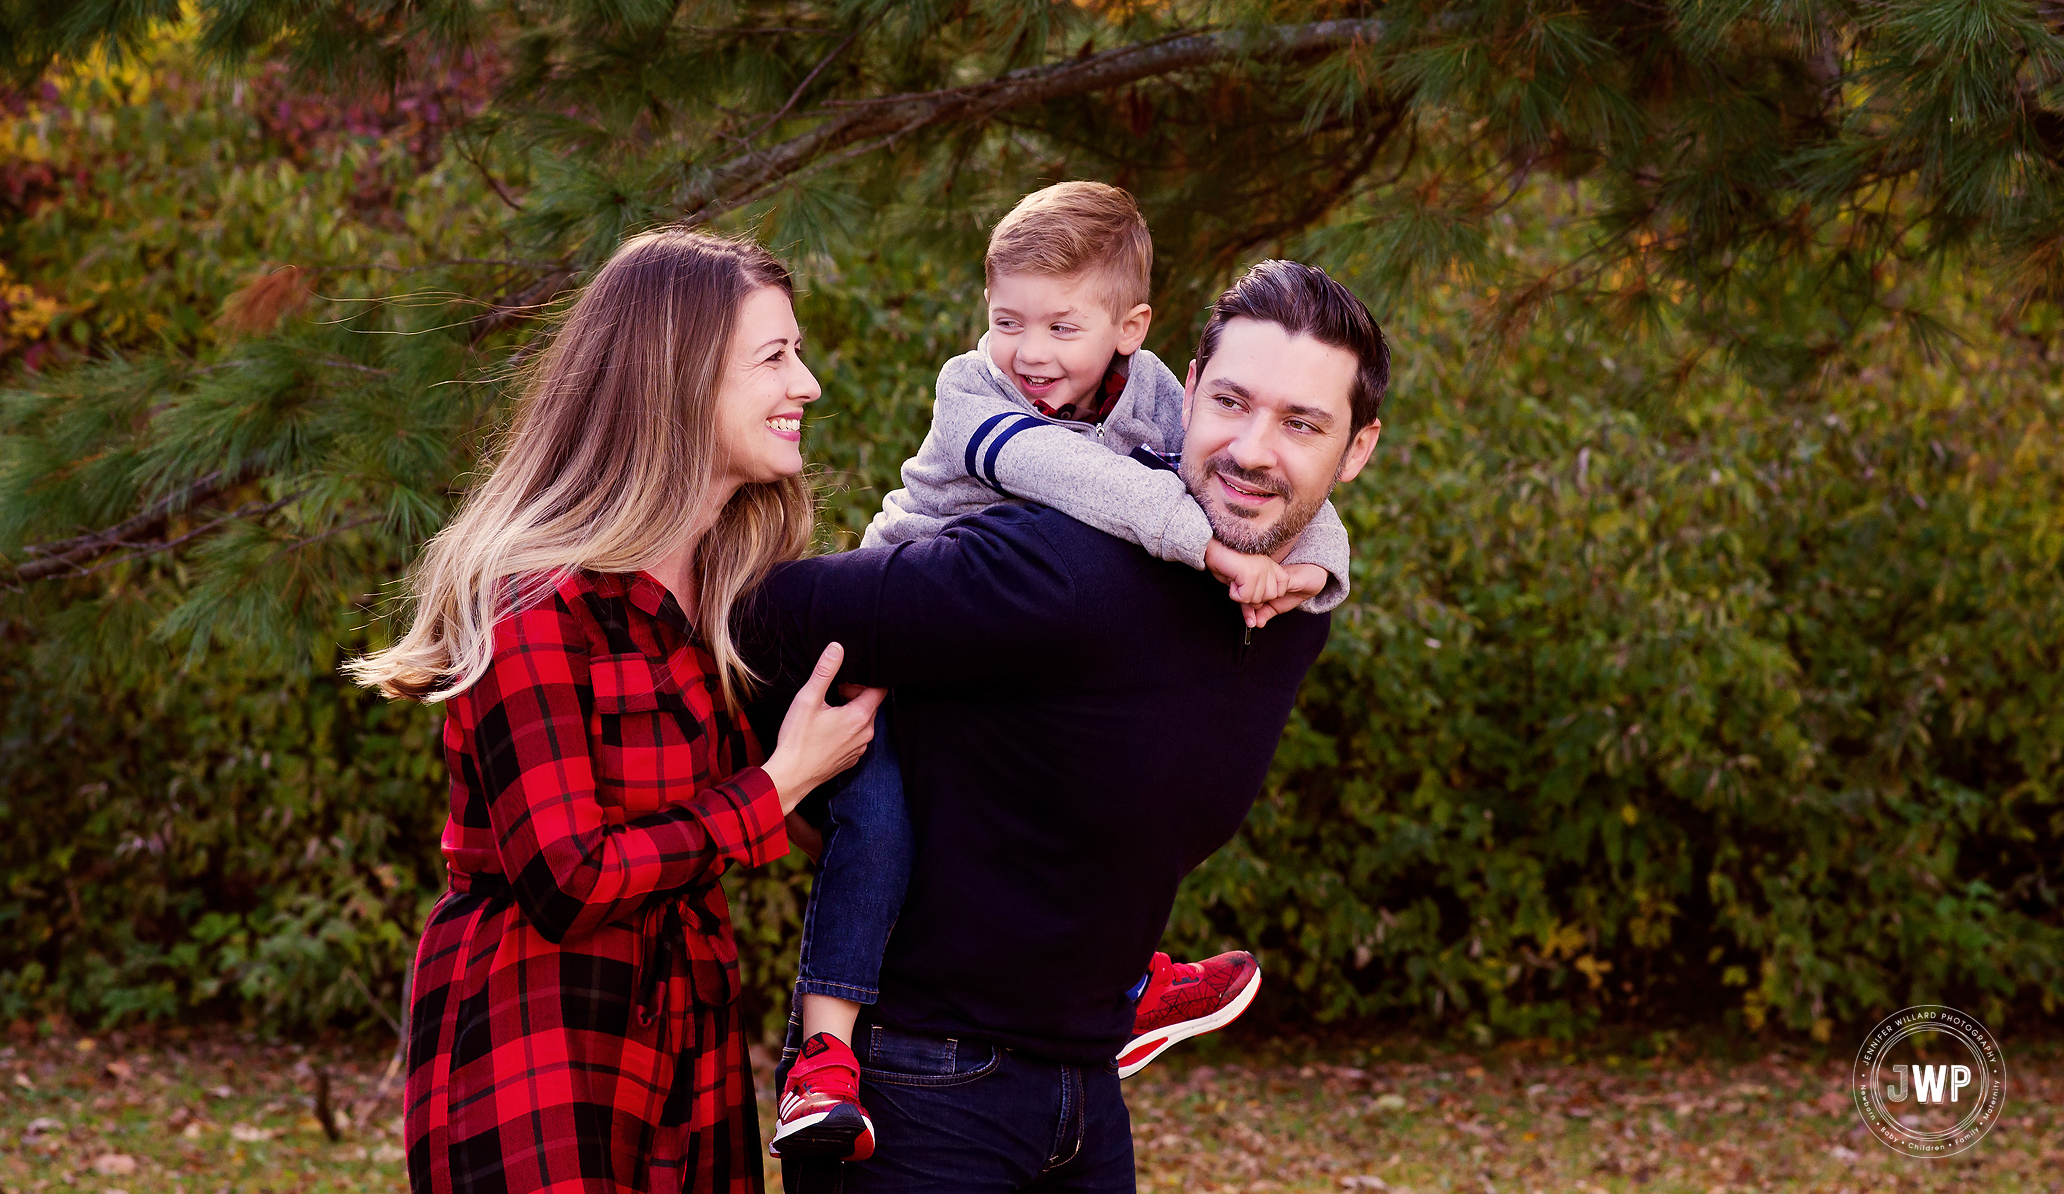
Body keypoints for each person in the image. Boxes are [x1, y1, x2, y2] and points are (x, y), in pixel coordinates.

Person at [742, 259, 1389, 1194]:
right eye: (1233, 402)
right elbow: (762, 615)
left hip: (1087, 1086)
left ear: (1356, 450)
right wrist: (803, 795)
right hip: (924, 1087)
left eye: (1301, 424)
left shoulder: (1292, 611)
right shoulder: (1061, 567)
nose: (1252, 449)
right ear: (1190, 389)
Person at [347, 230, 882, 1194]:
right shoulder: (533, 603)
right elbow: (567, 875)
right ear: (676, 380)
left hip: (689, 1037)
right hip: (535, 1030)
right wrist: (778, 784)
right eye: (774, 357)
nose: (806, 385)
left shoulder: (734, 601)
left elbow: (847, 826)